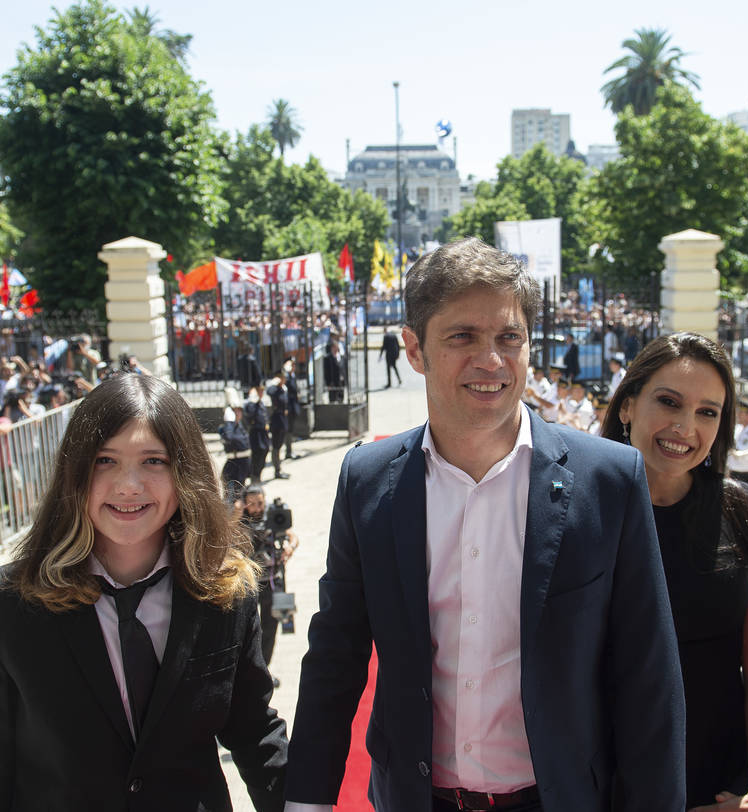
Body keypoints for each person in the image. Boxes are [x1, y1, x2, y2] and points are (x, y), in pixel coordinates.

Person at [284, 238, 685, 812]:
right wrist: (306, 801)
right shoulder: (367, 479)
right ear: (414, 350)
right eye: (463, 337)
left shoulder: (609, 479)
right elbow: (336, 655)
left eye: (508, 338)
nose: (491, 360)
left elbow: (649, 676)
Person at [0, 373, 288, 811]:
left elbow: (253, 730)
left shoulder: (227, 591)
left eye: (154, 461)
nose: (129, 485)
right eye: (105, 460)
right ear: (76, 472)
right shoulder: (0, 606)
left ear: (186, 473)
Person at [603, 331, 748, 810]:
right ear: (627, 406)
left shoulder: (743, 510)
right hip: (599, 781)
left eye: (708, 411)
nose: (686, 426)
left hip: (713, 785)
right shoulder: (577, 507)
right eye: (669, 402)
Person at [238, 485, 299, 673]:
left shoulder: (272, 517)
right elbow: (226, 533)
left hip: (273, 580)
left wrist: (290, 547)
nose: (257, 508)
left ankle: (263, 669)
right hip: (249, 583)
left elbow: (292, 536)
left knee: (271, 626)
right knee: (245, 628)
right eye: (252, 504)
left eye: (260, 503)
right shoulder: (239, 521)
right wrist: (237, 512)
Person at [219, 388, 252, 502]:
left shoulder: (239, 426)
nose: (238, 413)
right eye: (234, 411)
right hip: (234, 468)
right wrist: (229, 421)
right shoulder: (227, 427)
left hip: (243, 466)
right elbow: (229, 438)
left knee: (243, 498)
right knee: (231, 500)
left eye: (239, 410)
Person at [266, 373, 293, 480]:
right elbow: (269, 392)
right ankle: (277, 470)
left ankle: (279, 469)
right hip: (276, 421)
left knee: (279, 446)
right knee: (276, 447)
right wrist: (274, 383)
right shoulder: (274, 389)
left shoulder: (283, 389)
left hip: (283, 421)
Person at [323, 338, 345, 403]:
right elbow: (326, 372)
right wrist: (328, 384)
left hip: (340, 382)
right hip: (332, 383)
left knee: (341, 399)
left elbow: (343, 369)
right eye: (335, 347)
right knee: (333, 400)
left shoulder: (341, 357)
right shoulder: (327, 358)